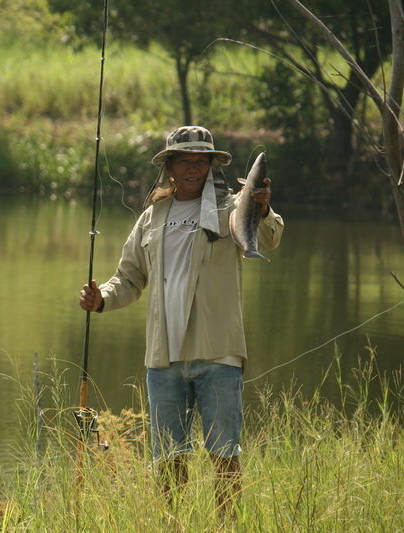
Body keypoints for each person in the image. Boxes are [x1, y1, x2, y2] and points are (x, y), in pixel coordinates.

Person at [78, 126, 284, 512]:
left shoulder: (232, 207)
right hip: (162, 361)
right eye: (185, 160)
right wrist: (99, 299)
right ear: (169, 167)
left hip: (218, 354)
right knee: (168, 459)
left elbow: (269, 239)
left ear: (211, 166)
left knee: (224, 455)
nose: (194, 167)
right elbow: (127, 278)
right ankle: (174, 522)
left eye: (201, 160)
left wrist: (261, 207)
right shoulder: (151, 217)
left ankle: (225, 524)